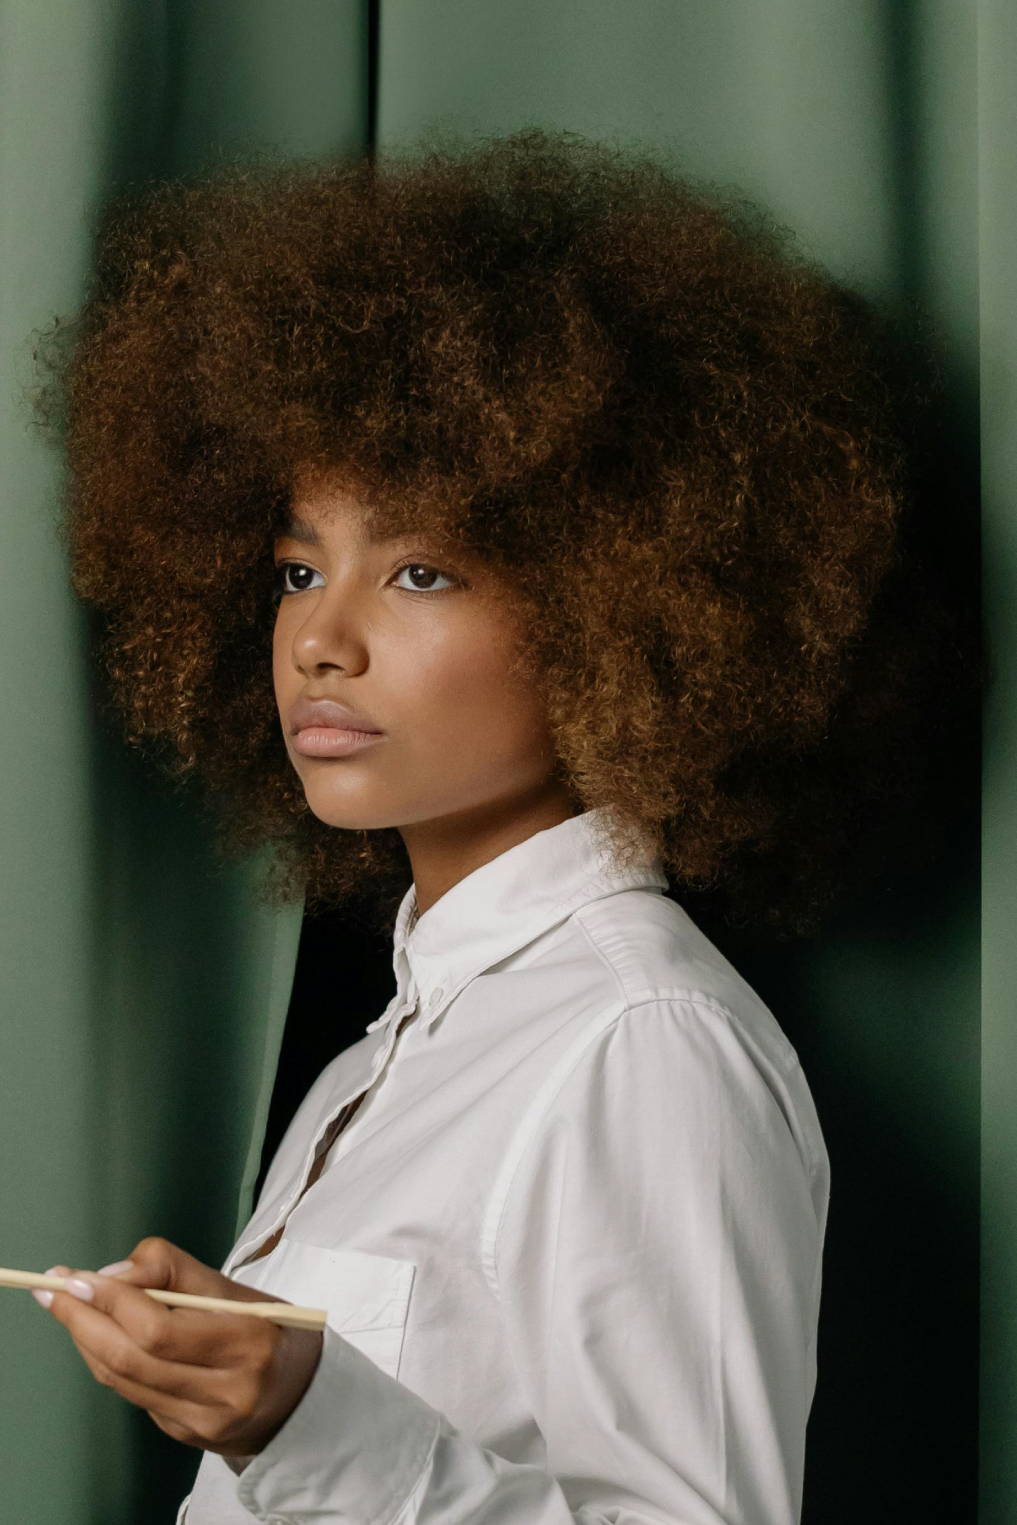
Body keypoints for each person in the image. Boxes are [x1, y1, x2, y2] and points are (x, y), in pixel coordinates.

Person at [28, 126, 954, 1524]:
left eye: (418, 567)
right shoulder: (379, 1060)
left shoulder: (642, 1041)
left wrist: (303, 1418)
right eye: (294, 566)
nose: (319, 640)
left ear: (621, 605)